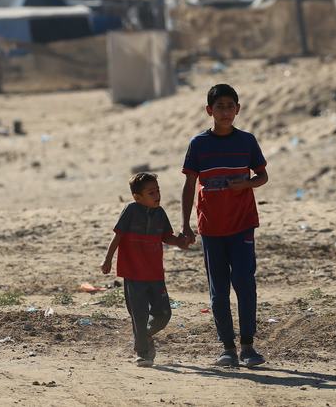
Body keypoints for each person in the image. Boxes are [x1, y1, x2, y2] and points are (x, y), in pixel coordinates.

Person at [179, 83, 268, 368]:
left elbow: (262, 176)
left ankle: (248, 346)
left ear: (238, 109)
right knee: (218, 289)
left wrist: (247, 183)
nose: (226, 111)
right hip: (211, 227)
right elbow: (189, 184)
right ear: (209, 111)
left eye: (230, 106)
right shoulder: (199, 145)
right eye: (220, 107)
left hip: (242, 224)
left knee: (244, 282)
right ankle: (227, 348)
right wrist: (185, 225)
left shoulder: (247, 141)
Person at [101, 172, 192, 367]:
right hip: (133, 274)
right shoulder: (130, 211)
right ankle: (142, 353)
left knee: (164, 314)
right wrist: (107, 259)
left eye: (158, 191)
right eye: (151, 192)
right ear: (137, 197)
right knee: (139, 314)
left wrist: (180, 243)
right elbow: (117, 237)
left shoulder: (160, 213)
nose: (157, 195)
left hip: (155, 274)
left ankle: (142, 336)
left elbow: (167, 237)